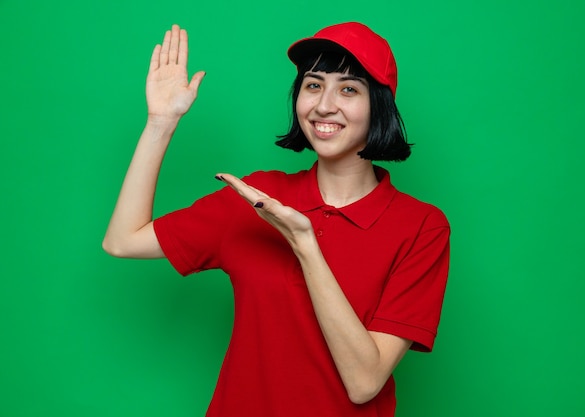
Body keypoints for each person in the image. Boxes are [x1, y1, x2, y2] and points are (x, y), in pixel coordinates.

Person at [103, 22, 450, 417]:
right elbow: (123, 240)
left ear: (380, 105)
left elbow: (364, 383)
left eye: (349, 89)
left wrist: (306, 246)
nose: (324, 105)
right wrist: (160, 123)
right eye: (313, 85)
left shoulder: (421, 227)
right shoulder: (258, 197)